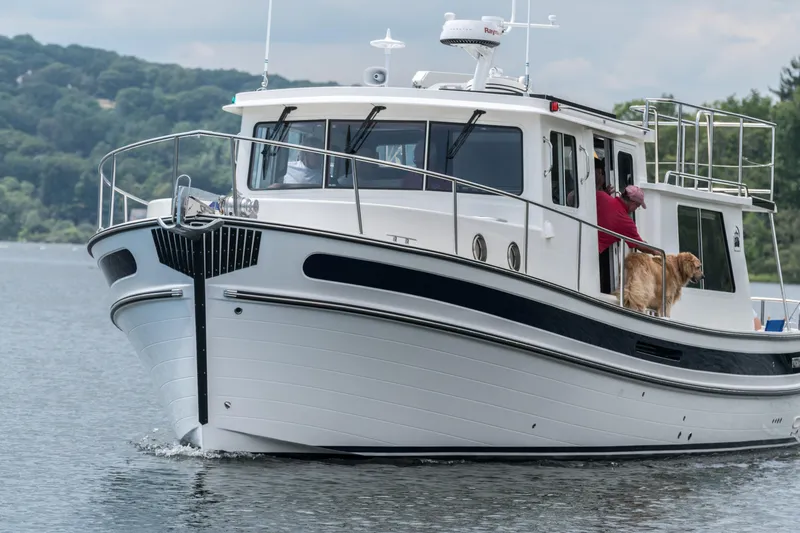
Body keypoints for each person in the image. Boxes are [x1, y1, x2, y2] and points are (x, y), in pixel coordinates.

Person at [596, 184, 658, 255]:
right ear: (633, 203)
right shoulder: (625, 221)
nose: (635, 209)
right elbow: (639, 245)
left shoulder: (601, 195)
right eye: (637, 206)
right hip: (592, 251)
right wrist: (654, 251)